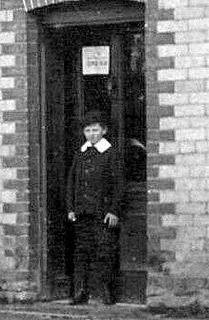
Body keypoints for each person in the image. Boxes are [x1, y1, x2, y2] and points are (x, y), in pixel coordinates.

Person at [65, 111, 124, 305]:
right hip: (82, 212)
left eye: (95, 130)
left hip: (102, 213)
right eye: (88, 130)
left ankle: (106, 293)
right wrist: (71, 207)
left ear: (104, 131)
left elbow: (118, 184)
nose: (91, 134)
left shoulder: (111, 153)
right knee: (82, 252)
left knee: (104, 251)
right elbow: (72, 182)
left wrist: (114, 210)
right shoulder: (80, 153)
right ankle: (80, 292)